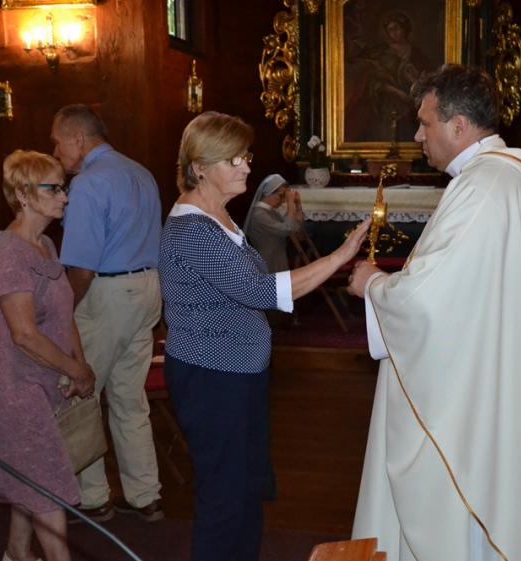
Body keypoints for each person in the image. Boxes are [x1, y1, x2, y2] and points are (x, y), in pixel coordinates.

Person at [347, 65, 521, 561]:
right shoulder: (494, 181)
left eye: (425, 123)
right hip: (482, 375)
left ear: (459, 125)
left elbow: (427, 300)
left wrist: (373, 285)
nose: (417, 135)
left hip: (469, 398)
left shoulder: (483, 187)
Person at [158, 111, 370, 561]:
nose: (246, 167)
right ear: (200, 168)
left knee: (247, 487)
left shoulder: (220, 217)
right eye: (232, 160)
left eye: (245, 156)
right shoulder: (192, 230)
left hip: (237, 374)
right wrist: (340, 257)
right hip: (211, 377)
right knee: (223, 496)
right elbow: (259, 290)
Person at [0, 150, 95, 561]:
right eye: (54, 189)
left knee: (32, 471)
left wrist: (80, 364)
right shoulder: (7, 255)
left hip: (53, 379)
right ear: (23, 195)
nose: (64, 197)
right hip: (21, 386)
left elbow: (65, 313)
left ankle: (16, 551)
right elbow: (25, 336)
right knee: (46, 483)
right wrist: (75, 370)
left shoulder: (45, 244)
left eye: (64, 188)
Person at [51, 104, 164, 523]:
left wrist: (63, 310)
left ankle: (93, 497)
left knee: (81, 394)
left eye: (57, 142)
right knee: (130, 399)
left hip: (108, 293)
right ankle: (146, 495)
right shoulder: (141, 172)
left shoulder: (87, 183)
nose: (56, 152)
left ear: (77, 139)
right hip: (149, 286)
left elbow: (81, 267)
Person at [345, 11, 434, 142]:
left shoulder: (417, 54)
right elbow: (372, 79)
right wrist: (397, 92)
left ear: (404, 29)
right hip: (386, 106)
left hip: (411, 108)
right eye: (390, 30)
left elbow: (427, 79)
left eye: (396, 29)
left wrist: (414, 80)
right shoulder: (380, 53)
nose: (393, 33)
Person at [243, 173, 303, 273]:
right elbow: (286, 229)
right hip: (268, 261)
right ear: (268, 192)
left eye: (284, 197)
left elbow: (294, 227)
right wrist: (290, 203)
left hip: (277, 256)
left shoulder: (270, 211)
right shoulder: (259, 214)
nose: (283, 200)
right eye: (281, 196)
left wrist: (298, 205)